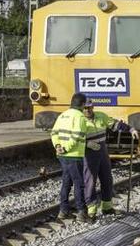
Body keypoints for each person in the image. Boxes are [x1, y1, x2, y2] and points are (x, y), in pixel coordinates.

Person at [83, 101, 139, 219]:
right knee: (90, 180)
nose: (87, 110)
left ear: (93, 107)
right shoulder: (79, 120)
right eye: (85, 108)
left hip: (102, 151)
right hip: (89, 153)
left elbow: (115, 124)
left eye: (89, 108)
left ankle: (107, 207)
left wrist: (130, 129)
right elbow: (75, 137)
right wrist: (87, 143)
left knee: (107, 178)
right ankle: (91, 210)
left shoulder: (100, 116)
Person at [50, 92, 90, 222]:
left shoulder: (62, 115)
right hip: (74, 155)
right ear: (83, 104)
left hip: (61, 155)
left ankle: (63, 210)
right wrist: (67, 148)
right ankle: (81, 213)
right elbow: (77, 135)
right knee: (79, 184)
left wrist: (58, 146)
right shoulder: (80, 117)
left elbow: (54, 133)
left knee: (66, 182)